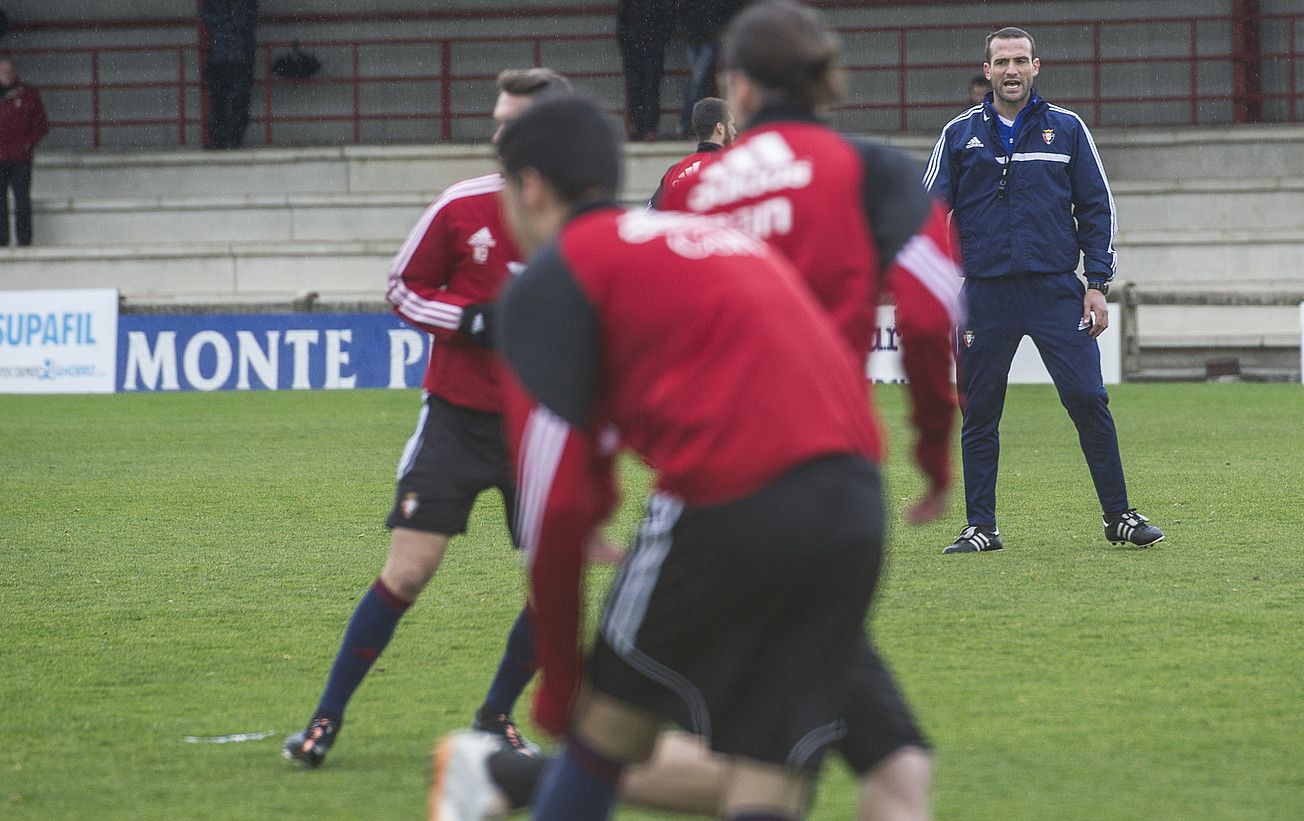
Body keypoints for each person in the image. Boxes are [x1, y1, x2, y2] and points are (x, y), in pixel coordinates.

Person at [430, 3, 962, 818]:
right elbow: (930, 305)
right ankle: (504, 777)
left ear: (529, 187)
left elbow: (555, 494)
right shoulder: (842, 180)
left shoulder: (658, 215)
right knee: (778, 777)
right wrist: (934, 449)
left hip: (726, 494)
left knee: (609, 729)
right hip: (853, 492)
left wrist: (559, 694)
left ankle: (501, 777)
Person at [282, 68, 581, 769]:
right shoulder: (460, 205)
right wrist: (470, 319)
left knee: (554, 583)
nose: (500, 134)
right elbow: (402, 287)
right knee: (409, 571)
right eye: (497, 120)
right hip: (457, 418)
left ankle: (495, 716)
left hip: (540, 426)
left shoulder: (580, 218)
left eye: (516, 123)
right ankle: (325, 719)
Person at [923, 27, 1165, 554]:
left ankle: (1118, 516)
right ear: (986, 71)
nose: (1012, 70)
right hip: (984, 294)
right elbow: (928, 213)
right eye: (1001, 61)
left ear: (1037, 66)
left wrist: (1097, 284)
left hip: (1057, 291)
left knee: (1088, 399)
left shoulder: (1069, 130)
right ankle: (981, 526)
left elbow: (1097, 207)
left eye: (1021, 61)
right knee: (980, 410)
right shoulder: (958, 135)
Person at [674, 0, 745, 138]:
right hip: (702, 34)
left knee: (697, 80)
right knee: (700, 81)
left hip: (701, 35)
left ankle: (688, 122)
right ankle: (696, 124)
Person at [647, 96, 733, 208]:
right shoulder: (731, 168)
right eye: (732, 125)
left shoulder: (673, 172)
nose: (735, 131)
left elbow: (650, 214)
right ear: (720, 128)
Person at [0, 55, 49, 248]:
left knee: (22, 201)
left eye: (9, 71)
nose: (7, 75)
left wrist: (27, 144)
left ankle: (24, 241)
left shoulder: (28, 95)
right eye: (3, 72)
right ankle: (2, 241)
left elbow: (41, 124)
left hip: (20, 159)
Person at [200, 0, 257, 149]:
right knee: (237, 100)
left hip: (220, 55)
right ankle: (233, 139)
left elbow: (206, 17)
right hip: (239, 56)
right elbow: (245, 21)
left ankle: (222, 139)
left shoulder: (214, 5)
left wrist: (222, 22)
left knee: (220, 100)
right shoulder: (246, 5)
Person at [617, 0, 674, 140]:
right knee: (645, 87)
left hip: (640, 46)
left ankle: (645, 127)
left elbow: (622, 19)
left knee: (645, 87)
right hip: (644, 45)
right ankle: (646, 128)